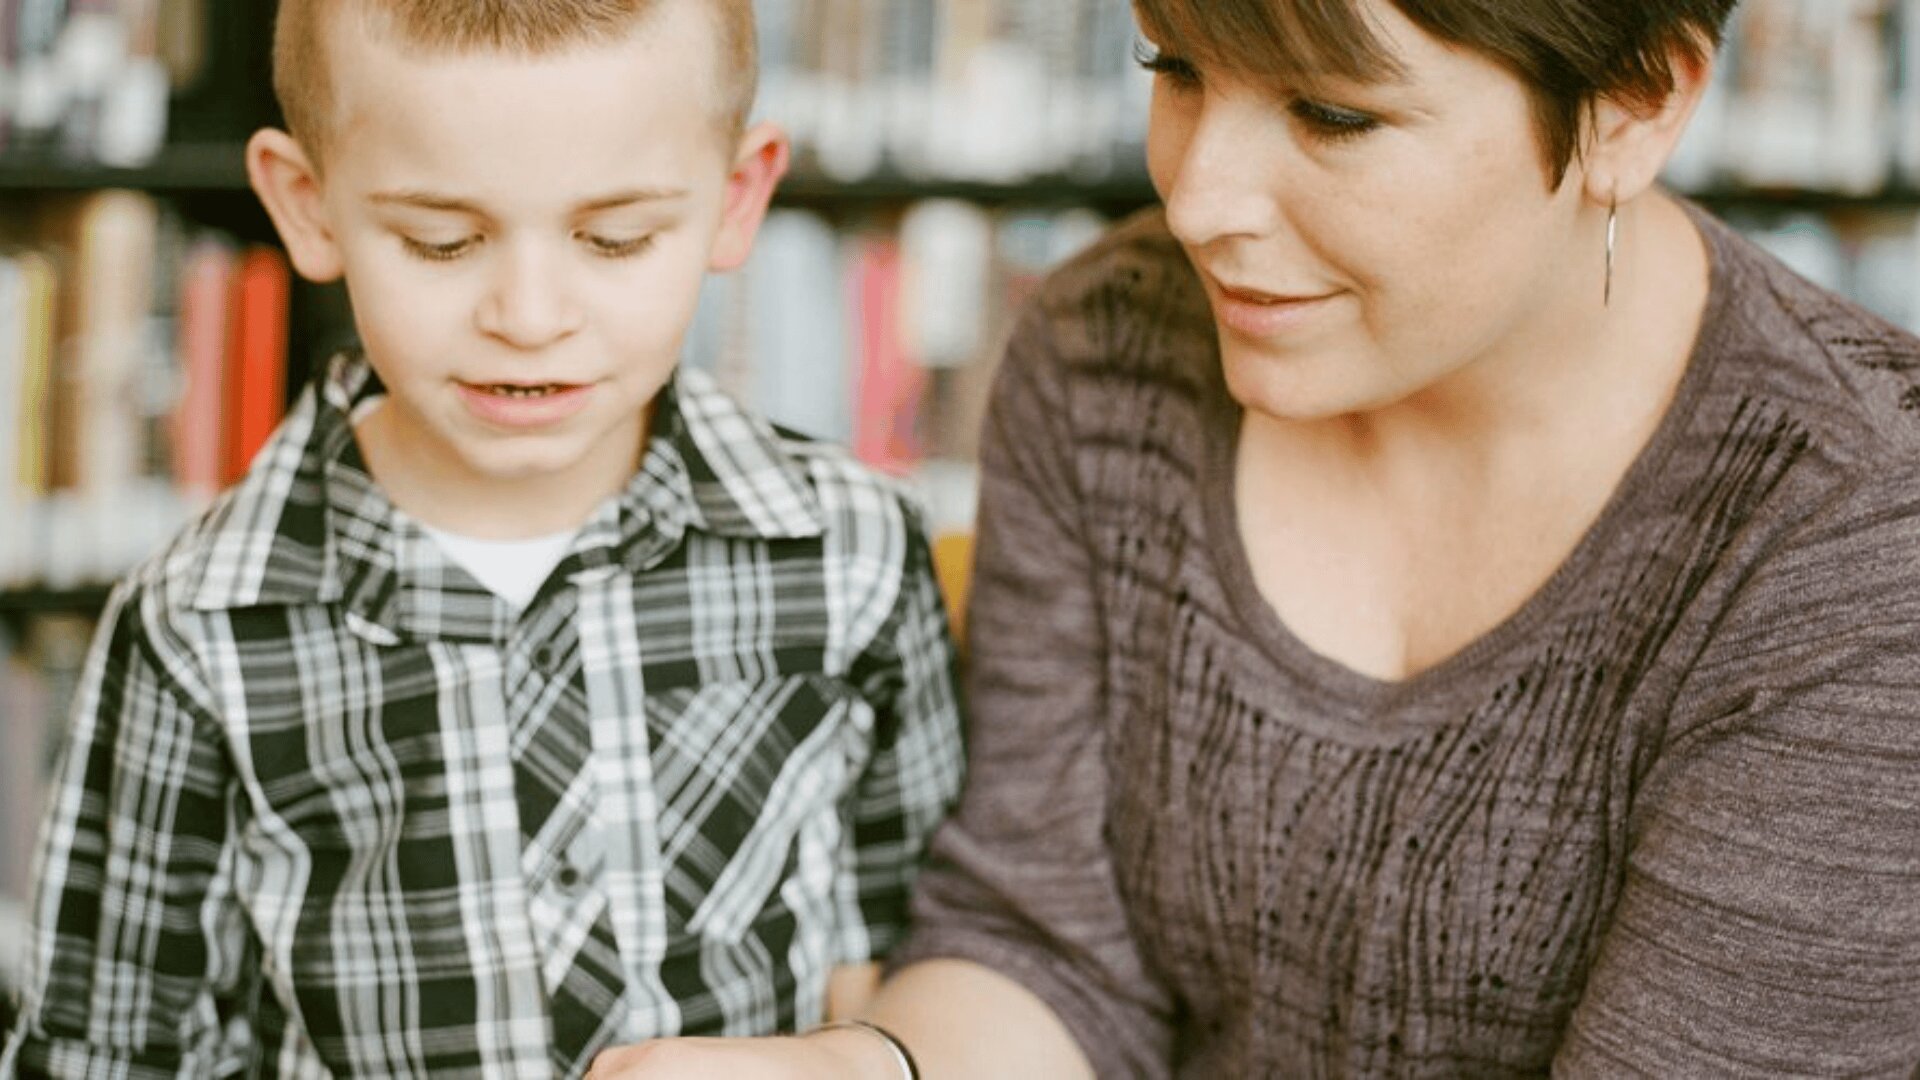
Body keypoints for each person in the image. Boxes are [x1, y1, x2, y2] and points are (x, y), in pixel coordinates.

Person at [588, 0, 1920, 1076]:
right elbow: (1051, 955)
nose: (1196, 198)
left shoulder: (1860, 527)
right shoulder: (1105, 352)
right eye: (1175, 66)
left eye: (1331, 112)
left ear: (1635, 104)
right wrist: (870, 1071)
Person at [0, 1, 966, 1076]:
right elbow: (109, 1048)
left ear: (736, 199)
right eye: (441, 241)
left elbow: (927, 946)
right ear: (306, 205)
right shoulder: (197, 626)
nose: (529, 314)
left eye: (615, 238)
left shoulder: (855, 550)